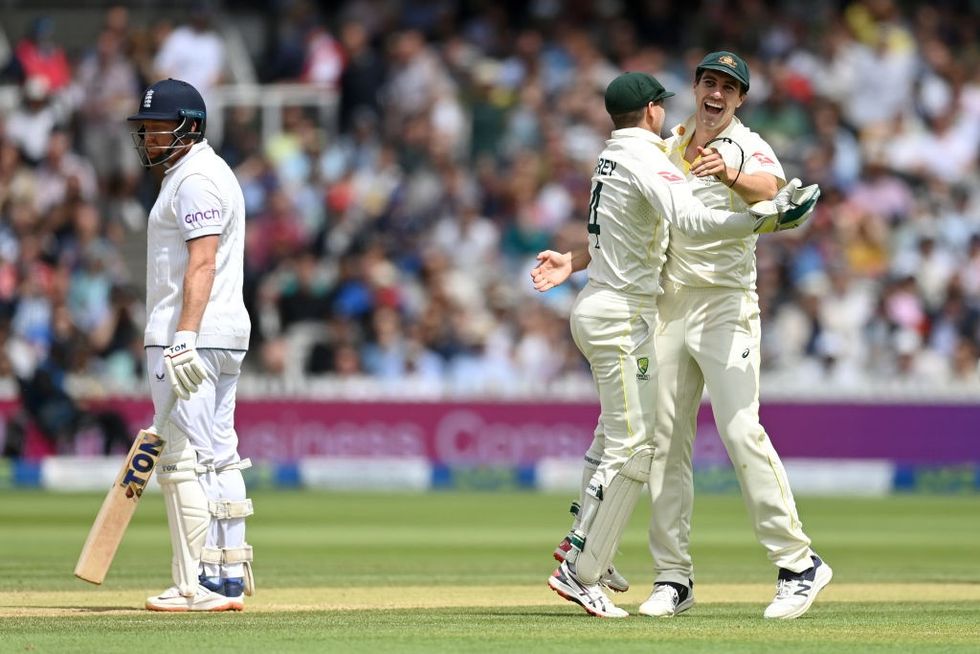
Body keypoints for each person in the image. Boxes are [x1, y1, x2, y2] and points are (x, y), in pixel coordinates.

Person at [535, 53, 830, 621]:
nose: (717, 95)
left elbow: (770, 185)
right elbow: (629, 223)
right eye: (709, 83)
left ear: (741, 99)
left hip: (726, 306)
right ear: (695, 88)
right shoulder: (665, 143)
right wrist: (574, 261)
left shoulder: (745, 143)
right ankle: (674, 577)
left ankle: (798, 564)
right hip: (667, 304)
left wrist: (732, 174)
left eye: (729, 88)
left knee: (741, 430)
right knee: (662, 444)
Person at [127, 78, 254, 611]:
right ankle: (226, 573)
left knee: (188, 460)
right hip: (219, 335)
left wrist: (183, 337)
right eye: (146, 127)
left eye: (160, 126)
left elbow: (202, 262)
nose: (151, 136)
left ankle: (202, 582)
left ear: (191, 127)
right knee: (219, 455)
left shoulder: (196, 179)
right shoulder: (200, 173)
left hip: (191, 337)